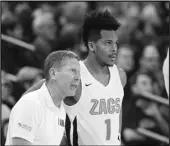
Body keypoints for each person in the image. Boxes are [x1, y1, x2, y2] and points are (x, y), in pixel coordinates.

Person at [24, 10, 126, 145]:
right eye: (108, 43)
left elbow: (116, 114)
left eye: (116, 43)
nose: (114, 49)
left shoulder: (120, 76)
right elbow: (27, 102)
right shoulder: (72, 74)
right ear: (91, 46)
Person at [5, 50, 80, 145]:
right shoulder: (31, 103)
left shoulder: (61, 110)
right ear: (53, 74)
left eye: (79, 72)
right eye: (72, 70)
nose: (78, 77)